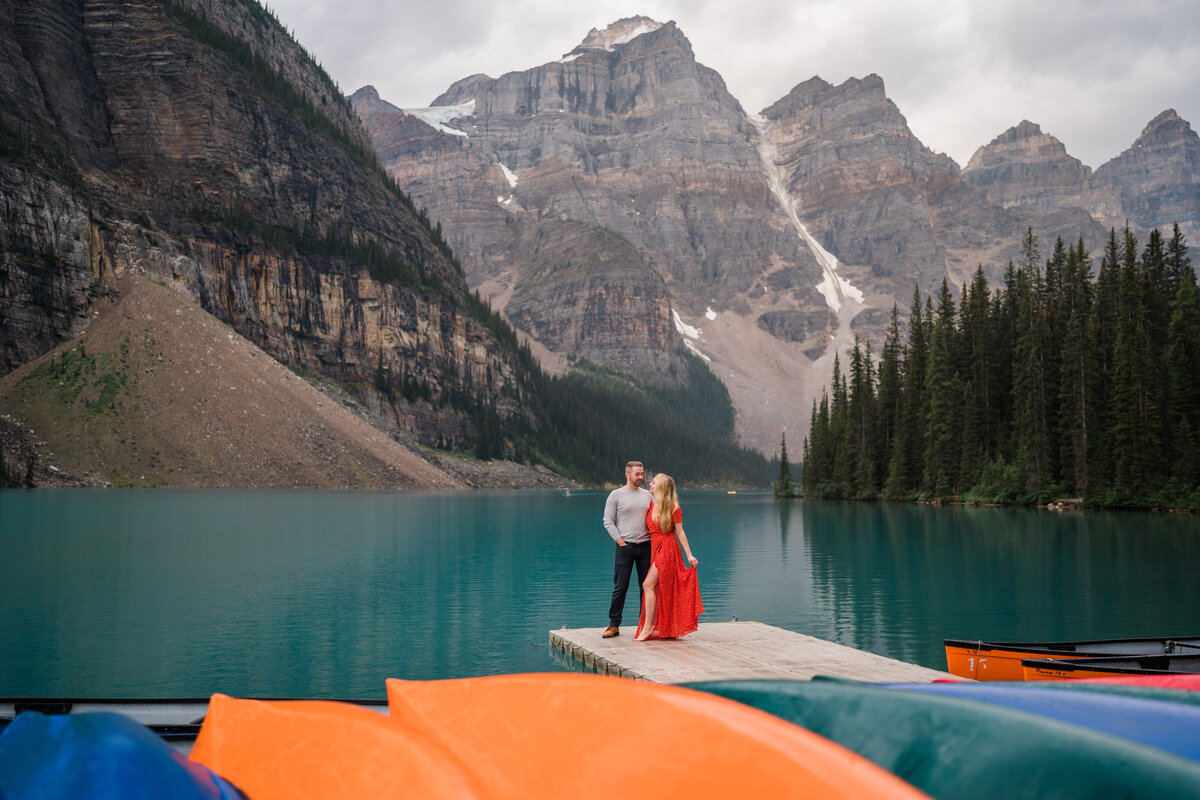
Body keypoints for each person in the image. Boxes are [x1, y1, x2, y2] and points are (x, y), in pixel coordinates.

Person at [634, 473, 703, 641]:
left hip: (668, 549)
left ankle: (648, 627)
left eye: (654, 482)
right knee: (656, 588)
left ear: (661, 487)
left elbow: (680, 532)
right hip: (654, 548)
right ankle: (662, 626)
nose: (650, 483)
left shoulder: (673, 507)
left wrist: (689, 554)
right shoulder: (651, 505)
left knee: (648, 584)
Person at [601, 461, 652, 638]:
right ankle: (614, 625)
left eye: (642, 474)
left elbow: (655, 517)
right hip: (625, 547)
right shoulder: (616, 495)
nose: (641, 478)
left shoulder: (647, 495)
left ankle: (645, 624)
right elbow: (608, 520)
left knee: (646, 587)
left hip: (646, 547)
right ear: (627, 475)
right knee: (620, 587)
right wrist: (620, 541)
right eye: (637, 474)